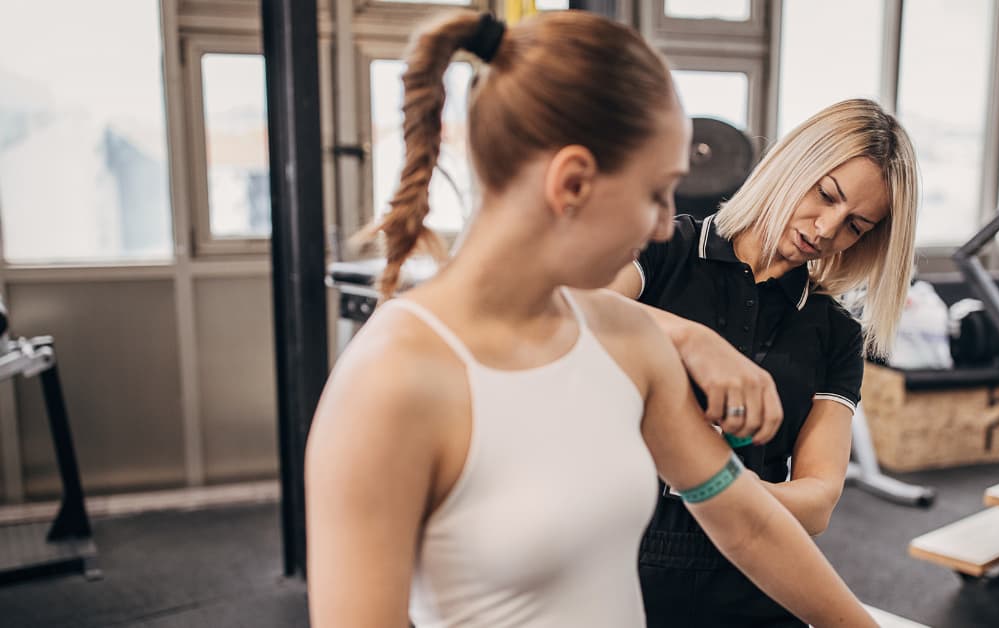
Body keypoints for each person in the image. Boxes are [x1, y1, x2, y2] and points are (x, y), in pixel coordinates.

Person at [304, 10, 879, 628]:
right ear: (573, 182)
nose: (665, 224)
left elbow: (746, 524)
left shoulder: (630, 339)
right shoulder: (390, 381)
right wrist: (688, 334)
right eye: (656, 194)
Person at [608, 98, 918, 628]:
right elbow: (568, 307)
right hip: (615, 555)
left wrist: (710, 484)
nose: (825, 230)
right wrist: (693, 341)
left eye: (855, 226)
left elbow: (818, 500)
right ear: (794, 162)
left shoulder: (835, 331)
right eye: (826, 195)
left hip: (753, 567)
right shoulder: (665, 249)